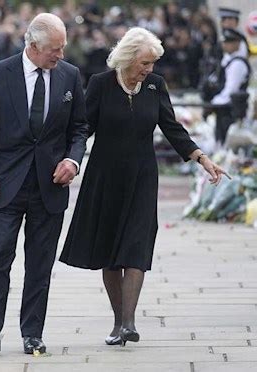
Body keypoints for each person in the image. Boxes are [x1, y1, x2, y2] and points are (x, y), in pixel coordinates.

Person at [59, 27, 230, 347]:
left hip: (142, 177)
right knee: (110, 251)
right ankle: (117, 322)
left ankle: (129, 323)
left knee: (136, 246)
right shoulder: (100, 84)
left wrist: (202, 158)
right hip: (105, 177)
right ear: (127, 59)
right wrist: (69, 160)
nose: (149, 70)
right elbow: (82, 128)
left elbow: (171, 126)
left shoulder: (155, 85)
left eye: (152, 64)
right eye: (144, 63)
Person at [0, 13, 88, 354]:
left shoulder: (69, 76)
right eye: (54, 49)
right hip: (5, 184)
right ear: (33, 46)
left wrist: (72, 159)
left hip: (50, 186)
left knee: (40, 263)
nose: (60, 55)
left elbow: (79, 128)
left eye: (63, 47)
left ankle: (32, 332)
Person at [210, 28, 251, 145]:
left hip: (231, 110)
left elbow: (230, 91)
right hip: (224, 109)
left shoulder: (238, 64)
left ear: (236, 43)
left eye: (228, 42)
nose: (224, 45)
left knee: (227, 142)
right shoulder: (228, 60)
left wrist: (214, 102)